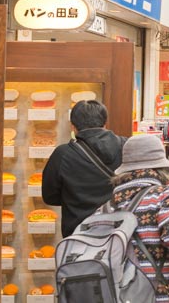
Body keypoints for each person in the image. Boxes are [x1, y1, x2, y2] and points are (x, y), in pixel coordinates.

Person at [110, 134, 169, 302]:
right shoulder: (164, 196)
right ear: (161, 167)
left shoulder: (110, 202)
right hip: (152, 293)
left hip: (116, 294)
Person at [42, 100, 126, 237]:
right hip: (119, 233)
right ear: (105, 124)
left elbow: (49, 196)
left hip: (78, 234)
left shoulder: (62, 154)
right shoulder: (127, 147)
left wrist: (74, 197)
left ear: (73, 127)